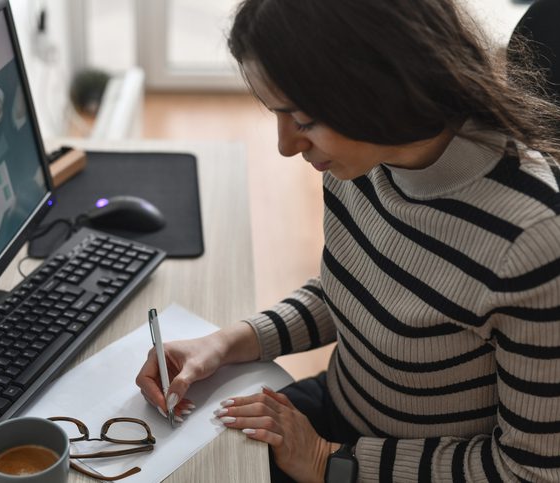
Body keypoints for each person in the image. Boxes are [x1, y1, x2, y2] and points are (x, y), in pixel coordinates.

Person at [135, 0, 560, 481]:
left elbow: (529, 472)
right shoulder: (363, 155)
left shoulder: (533, 241)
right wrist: (227, 342)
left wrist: (327, 460)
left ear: (379, 91)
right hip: (339, 413)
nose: (285, 145)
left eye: (303, 120)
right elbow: (358, 288)